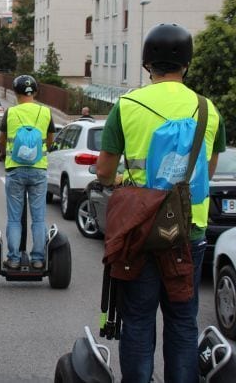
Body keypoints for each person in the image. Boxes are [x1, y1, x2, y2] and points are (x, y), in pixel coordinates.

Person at [96, 23, 226, 383]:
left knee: (137, 319)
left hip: (139, 231)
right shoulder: (207, 109)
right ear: (187, 62)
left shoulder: (126, 105)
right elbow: (208, 171)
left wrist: (118, 179)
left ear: (145, 63)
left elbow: (105, 170)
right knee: (183, 320)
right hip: (188, 231)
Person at [0, 75, 55, 270]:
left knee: (14, 218)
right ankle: (38, 258)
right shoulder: (46, 112)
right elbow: (50, 139)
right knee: (38, 218)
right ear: (36, 92)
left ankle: (13, 258)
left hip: (15, 169)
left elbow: (2, 139)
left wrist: (2, 153)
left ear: (15, 93)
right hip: (38, 170)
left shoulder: (11, 112)